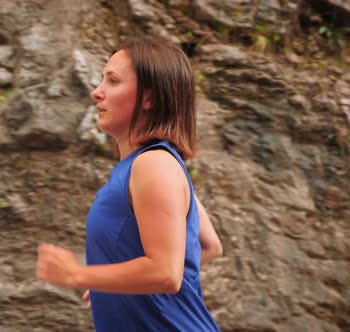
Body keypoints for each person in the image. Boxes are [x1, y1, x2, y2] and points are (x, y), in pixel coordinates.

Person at [36, 36, 223, 331]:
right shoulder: (150, 166)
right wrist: (118, 284)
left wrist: (77, 275)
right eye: (102, 80)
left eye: (112, 81)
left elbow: (166, 272)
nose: (97, 92)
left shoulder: (154, 165)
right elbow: (209, 244)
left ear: (149, 97)